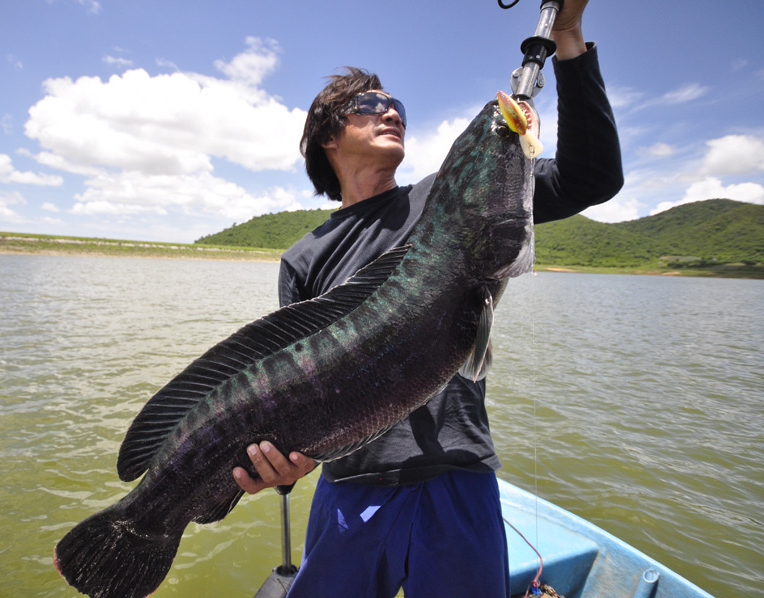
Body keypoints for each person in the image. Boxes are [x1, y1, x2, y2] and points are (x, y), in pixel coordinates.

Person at [232, 1, 623, 596]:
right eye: (368, 104)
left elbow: (591, 176)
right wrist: (284, 466)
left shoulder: (456, 194)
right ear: (325, 137)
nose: (390, 110)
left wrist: (567, 37)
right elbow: (291, 383)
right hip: (350, 488)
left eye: (397, 105)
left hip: (458, 478)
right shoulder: (303, 258)